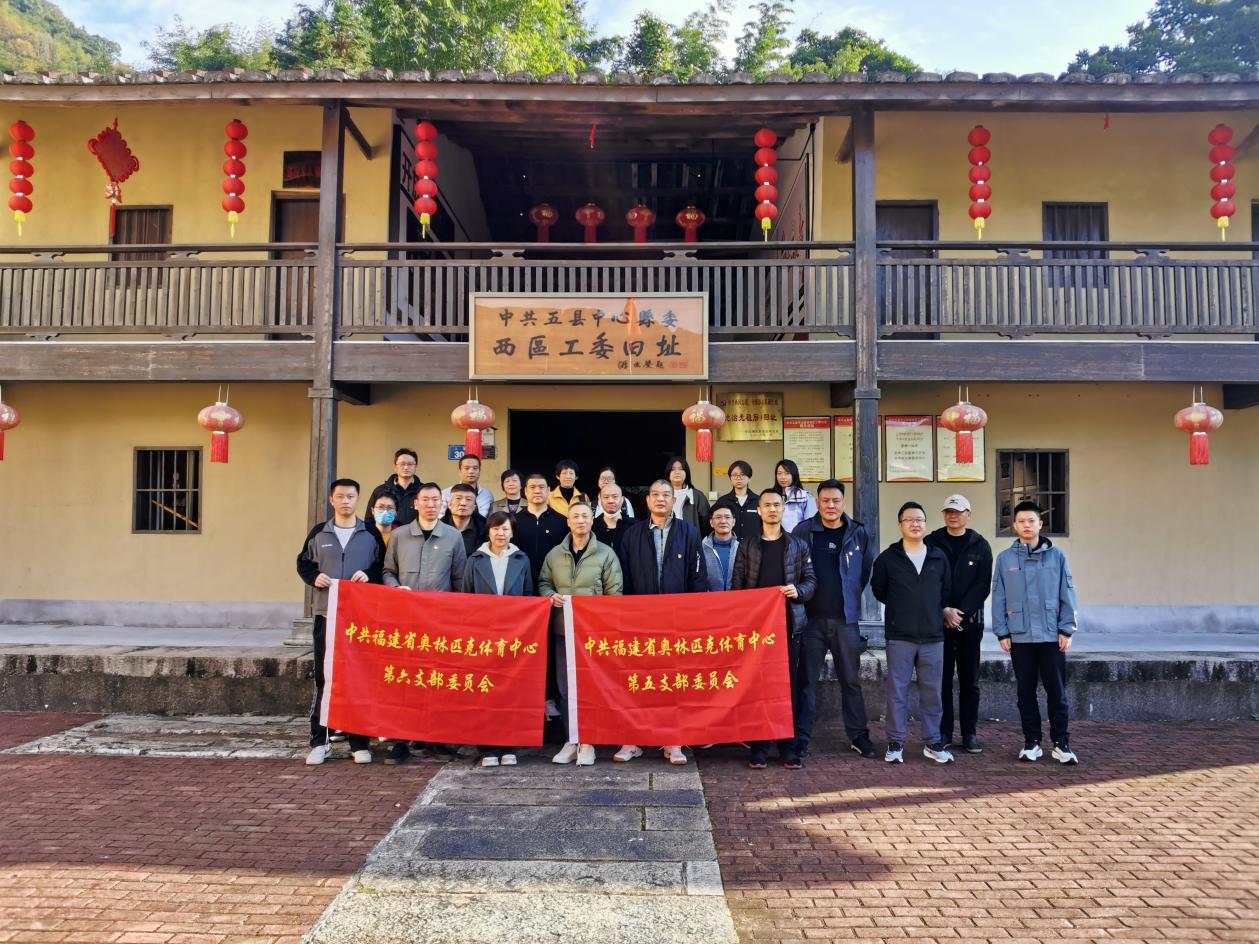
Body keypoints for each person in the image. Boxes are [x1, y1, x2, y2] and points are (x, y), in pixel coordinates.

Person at [614, 479, 708, 766]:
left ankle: (673, 741)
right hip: (639, 618)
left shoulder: (689, 532)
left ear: (674, 500)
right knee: (637, 680)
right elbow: (623, 577)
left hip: (676, 619)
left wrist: (693, 615)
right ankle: (631, 741)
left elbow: (698, 576)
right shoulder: (632, 534)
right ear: (647, 500)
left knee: (673, 682)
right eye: (655, 494)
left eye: (666, 495)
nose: (660, 499)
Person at [296, 478, 383, 766]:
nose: (346, 501)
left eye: (351, 496)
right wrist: (314, 577)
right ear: (332, 500)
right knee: (325, 679)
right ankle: (319, 742)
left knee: (358, 679)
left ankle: (359, 742)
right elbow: (303, 562)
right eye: (341, 496)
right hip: (326, 615)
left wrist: (369, 574)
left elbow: (381, 566)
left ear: (358, 500)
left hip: (359, 620)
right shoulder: (320, 532)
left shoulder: (370, 533)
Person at [381, 481, 468, 765]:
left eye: (435, 500)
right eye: (425, 500)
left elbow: (460, 579)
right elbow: (388, 571)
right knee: (404, 680)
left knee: (436, 679)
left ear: (442, 505)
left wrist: (456, 616)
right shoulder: (400, 536)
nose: (431, 505)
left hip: (439, 622)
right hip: (406, 621)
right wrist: (396, 589)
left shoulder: (453, 537)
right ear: (415, 504)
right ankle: (400, 740)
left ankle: (434, 738)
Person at [792, 480, 878, 761]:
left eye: (836, 501)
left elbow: (863, 573)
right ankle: (800, 738)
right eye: (825, 500)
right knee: (806, 681)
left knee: (851, 681)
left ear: (844, 503)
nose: (831, 506)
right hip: (811, 621)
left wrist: (849, 600)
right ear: (817, 502)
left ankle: (858, 736)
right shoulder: (803, 531)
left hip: (845, 622)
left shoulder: (858, 533)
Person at [730, 488, 816, 770]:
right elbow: (737, 585)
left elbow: (811, 581)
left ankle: (788, 747)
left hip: (790, 626)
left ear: (783, 509)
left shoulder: (797, 545)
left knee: (787, 687)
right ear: (759, 510)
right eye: (766, 505)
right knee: (758, 687)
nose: (772, 509)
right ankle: (759, 747)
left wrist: (798, 591)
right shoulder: (748, 545)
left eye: (777, 505)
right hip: (758, 629)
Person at [992, 500, 1079, 765]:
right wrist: (1002, 632)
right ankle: (1032, 743)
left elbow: (1068, 593)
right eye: (1021, 521)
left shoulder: (1057, 557)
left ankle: (1061, 743)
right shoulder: (1005, 559)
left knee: (1057, 693)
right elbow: (999, 596)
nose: (1026, 525)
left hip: (1052, 637)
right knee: (1025, 693)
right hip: (1020, 637)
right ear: (1014, 525)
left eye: (1031, 521)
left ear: (1041, 524)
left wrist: (1066, 629)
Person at [538, 501, 623, 767]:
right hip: (563, 630)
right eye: (575, 516)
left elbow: (615, 593)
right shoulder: (555, 554)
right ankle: (571, 739)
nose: (580, 521)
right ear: (568, 522)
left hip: (593, 634)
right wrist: (550, 595)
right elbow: (543, 582)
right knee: (565, 687)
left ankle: (589, 741)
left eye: (585, 516)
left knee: (591, 686)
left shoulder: (606, 554)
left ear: (592, 520)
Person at [870, 501, 954, 766]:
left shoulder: (938, 557)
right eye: (909, 520)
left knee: (933, 692)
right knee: (897, 691)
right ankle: (895, 742)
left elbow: (945, 590)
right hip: (900, 635)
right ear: (900, 525)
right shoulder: (888, 558)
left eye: (920, 519)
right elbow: (879, 589)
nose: (915, 524)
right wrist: (901, 608)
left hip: (933, 636)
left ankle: (933, 742)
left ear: (925, 524)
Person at [463, 510, 534, 768]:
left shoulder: (521, 559)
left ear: (512, 532)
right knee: (485, 690)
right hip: (484, 634)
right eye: (496, 529)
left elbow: (529, 595)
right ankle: (487, 748)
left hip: (514, 635)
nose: (500, 533)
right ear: (488, 531)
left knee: (510, 691)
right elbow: (466, 597)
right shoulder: (475, 559)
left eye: (505, 529)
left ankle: (509, 746)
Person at [924, 495, 994, 754]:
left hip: (970, 623)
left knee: (969, 680)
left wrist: (959, 614)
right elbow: (928, 581)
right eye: (949, 512)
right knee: (941, 679)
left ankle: (969, 733)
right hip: (938, 621)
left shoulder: (980, 545)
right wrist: (944, 609)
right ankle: (944, 732)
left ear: (968, 514)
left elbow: (982, 585)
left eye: (958, 512)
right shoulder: (931, 542)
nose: (953, 516)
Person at [515, 471, 570, 722]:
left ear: (549, 491)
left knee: (551, 647)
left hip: (553, 594)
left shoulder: (561, 522)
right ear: (525, 491)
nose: (537, 491)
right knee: (525, 647)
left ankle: (550, 699)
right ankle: (526, 698)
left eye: (542, 487)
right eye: (532, 487)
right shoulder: (515, 521)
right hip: (523, 597)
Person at [367, 448, 421, 528]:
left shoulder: (423, 492)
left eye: (410, 464)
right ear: (395, 467)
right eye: (402, 464)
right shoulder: (380, 491)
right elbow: (369, 520)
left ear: (416, 467)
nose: (406, 467)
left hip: (416, 535)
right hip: (387, 535)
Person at [713, 460, 760, 542]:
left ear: (749, 478)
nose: (738, 478)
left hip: (754, 546)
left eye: (742, 475)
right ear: (730, 478)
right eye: (734, 475)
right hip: (729, 547)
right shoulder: (722, 501)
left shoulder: (759, 501)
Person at [442, 482, 489, 558]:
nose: (463, 503)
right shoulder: (438, 529)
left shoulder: (486, 531)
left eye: (468, 499)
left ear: (474, 507)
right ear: (450, 505)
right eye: (458, 498)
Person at [666, 455, 710, 535]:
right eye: (673, 469)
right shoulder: (662, 495)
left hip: (690, 541)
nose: (677, 472)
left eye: (681, 469)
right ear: (668, 473)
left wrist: (695, 538)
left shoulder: (697, 496)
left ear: (686, 473)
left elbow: (706, 523)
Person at [442, 453, 493, 517]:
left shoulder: (487, 495)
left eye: (475, 468)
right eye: (466, 468)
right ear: (459, 471)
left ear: (479, 471)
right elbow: (440, 518)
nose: (471, 471)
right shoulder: (446, 494)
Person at [774, 459, 818, 534]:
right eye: (779, 473)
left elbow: (811, 524)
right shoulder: (772, 496)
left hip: (797, 539)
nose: (782, 477)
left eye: (787, 473)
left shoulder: (805, 497)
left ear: (794, 475)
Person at [702, 505, 739, 592]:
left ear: (733, 522)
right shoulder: (701, 549)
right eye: (718, 517)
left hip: (737, 599)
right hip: (709, 599)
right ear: (711, 522)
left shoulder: (742, 548)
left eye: (727, 517)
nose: (723, 521)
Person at [593, 482, 632, 555]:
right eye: (606, 497)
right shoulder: (592, 527)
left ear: (622, 499)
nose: (610, 501)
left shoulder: (634, 526)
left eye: (615, 496)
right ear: (600, 500)